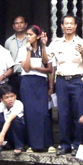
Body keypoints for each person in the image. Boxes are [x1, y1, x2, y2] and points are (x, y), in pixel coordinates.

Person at [47, 14, 83, 155]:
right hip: (61, 81)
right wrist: (43, 45)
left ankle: (77, 144)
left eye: (71, 23)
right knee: (63, 114)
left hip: (77, 80)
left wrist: (82, 53)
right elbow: (46, 59)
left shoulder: (81, 43)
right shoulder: (56, 43)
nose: (68, 26)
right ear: (61, 26)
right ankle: (65, 144)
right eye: (66, 23)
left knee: (77, 112)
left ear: (75, 26)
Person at [18, 25, 55, 153]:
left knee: (44, 113)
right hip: (28, 82)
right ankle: (32, 144)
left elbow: (49, 67)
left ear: (38, 36)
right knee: (30, 113)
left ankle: (48, 143)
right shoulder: (23, 49)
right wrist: (29, 51)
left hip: (41, 82)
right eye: (27, 34)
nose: (28, 37)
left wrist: (44, 46)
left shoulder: (45, 48)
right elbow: (26, 68)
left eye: (31, 34)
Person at [4, 15, 29, 97]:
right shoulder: (9, 41)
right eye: (16, 23)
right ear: (13, 26)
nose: (19, 25)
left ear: (26, 25)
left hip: (27, 74)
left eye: (21, 23)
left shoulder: (31, 39)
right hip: (14, 76)